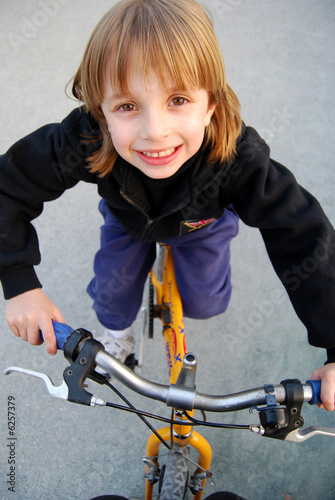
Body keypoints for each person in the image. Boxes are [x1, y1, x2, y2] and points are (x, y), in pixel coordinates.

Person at [0, 0, 334, 411]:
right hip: (128, 220)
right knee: (111, 292)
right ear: (101, 115)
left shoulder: (238, 159)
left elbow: (303, 234)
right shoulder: (85, 138)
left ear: (211, 102)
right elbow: (8, 187)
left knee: (206, 303)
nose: (155, 132)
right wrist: (19, 282)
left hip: (202, 224)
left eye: (178, 100)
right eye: (127, 106)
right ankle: (118, 335)